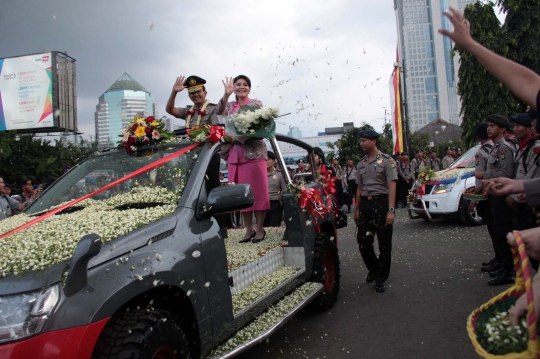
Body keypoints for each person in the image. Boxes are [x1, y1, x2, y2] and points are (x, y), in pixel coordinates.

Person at [216, 75, 269, 243]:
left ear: (249, 88)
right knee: (241, 195)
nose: (241, 87)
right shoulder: (230, 105)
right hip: (235, 155)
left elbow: (261, 125)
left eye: (245, 85)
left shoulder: (256, 104)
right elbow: (217, 113)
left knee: (258, 193)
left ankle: (260, 229)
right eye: (238, 84)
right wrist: (226, 95)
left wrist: (246, 133)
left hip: (254, 154)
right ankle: (248, 230)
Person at [354, 130, 398, 293]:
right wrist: (356, 209)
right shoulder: (361, 164)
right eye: (361, 141)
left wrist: (391, 210)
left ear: (373, 141)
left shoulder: (387, 161)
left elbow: (392, 185)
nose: (361, 143)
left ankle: (380, 278)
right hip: (366, 205)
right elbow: (359, 188)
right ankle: (374, 268)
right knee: (363, 241)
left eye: (364, 140)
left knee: (384, 242)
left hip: (382, 203)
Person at [482, 114, 516, 286]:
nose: (489, 128)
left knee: (504, 232)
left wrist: (486, 178)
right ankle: (503, 264)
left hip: (503, 194)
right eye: (488, 125)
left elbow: (506, 173)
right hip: (495, 194)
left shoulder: (504, 148)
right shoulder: (495, 148)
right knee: (498, 231)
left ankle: (508, 269)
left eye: (493, 126)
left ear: (502, 129)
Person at [264, 151, 286, 227]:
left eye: (268, 159)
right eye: (265, 159)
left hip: (275, 205)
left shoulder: (279, 174)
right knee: (263, 228)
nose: (266, 161)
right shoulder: (260, 174)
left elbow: (284, 190)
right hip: (262, 205)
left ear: (274, 161)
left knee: (274, 228)